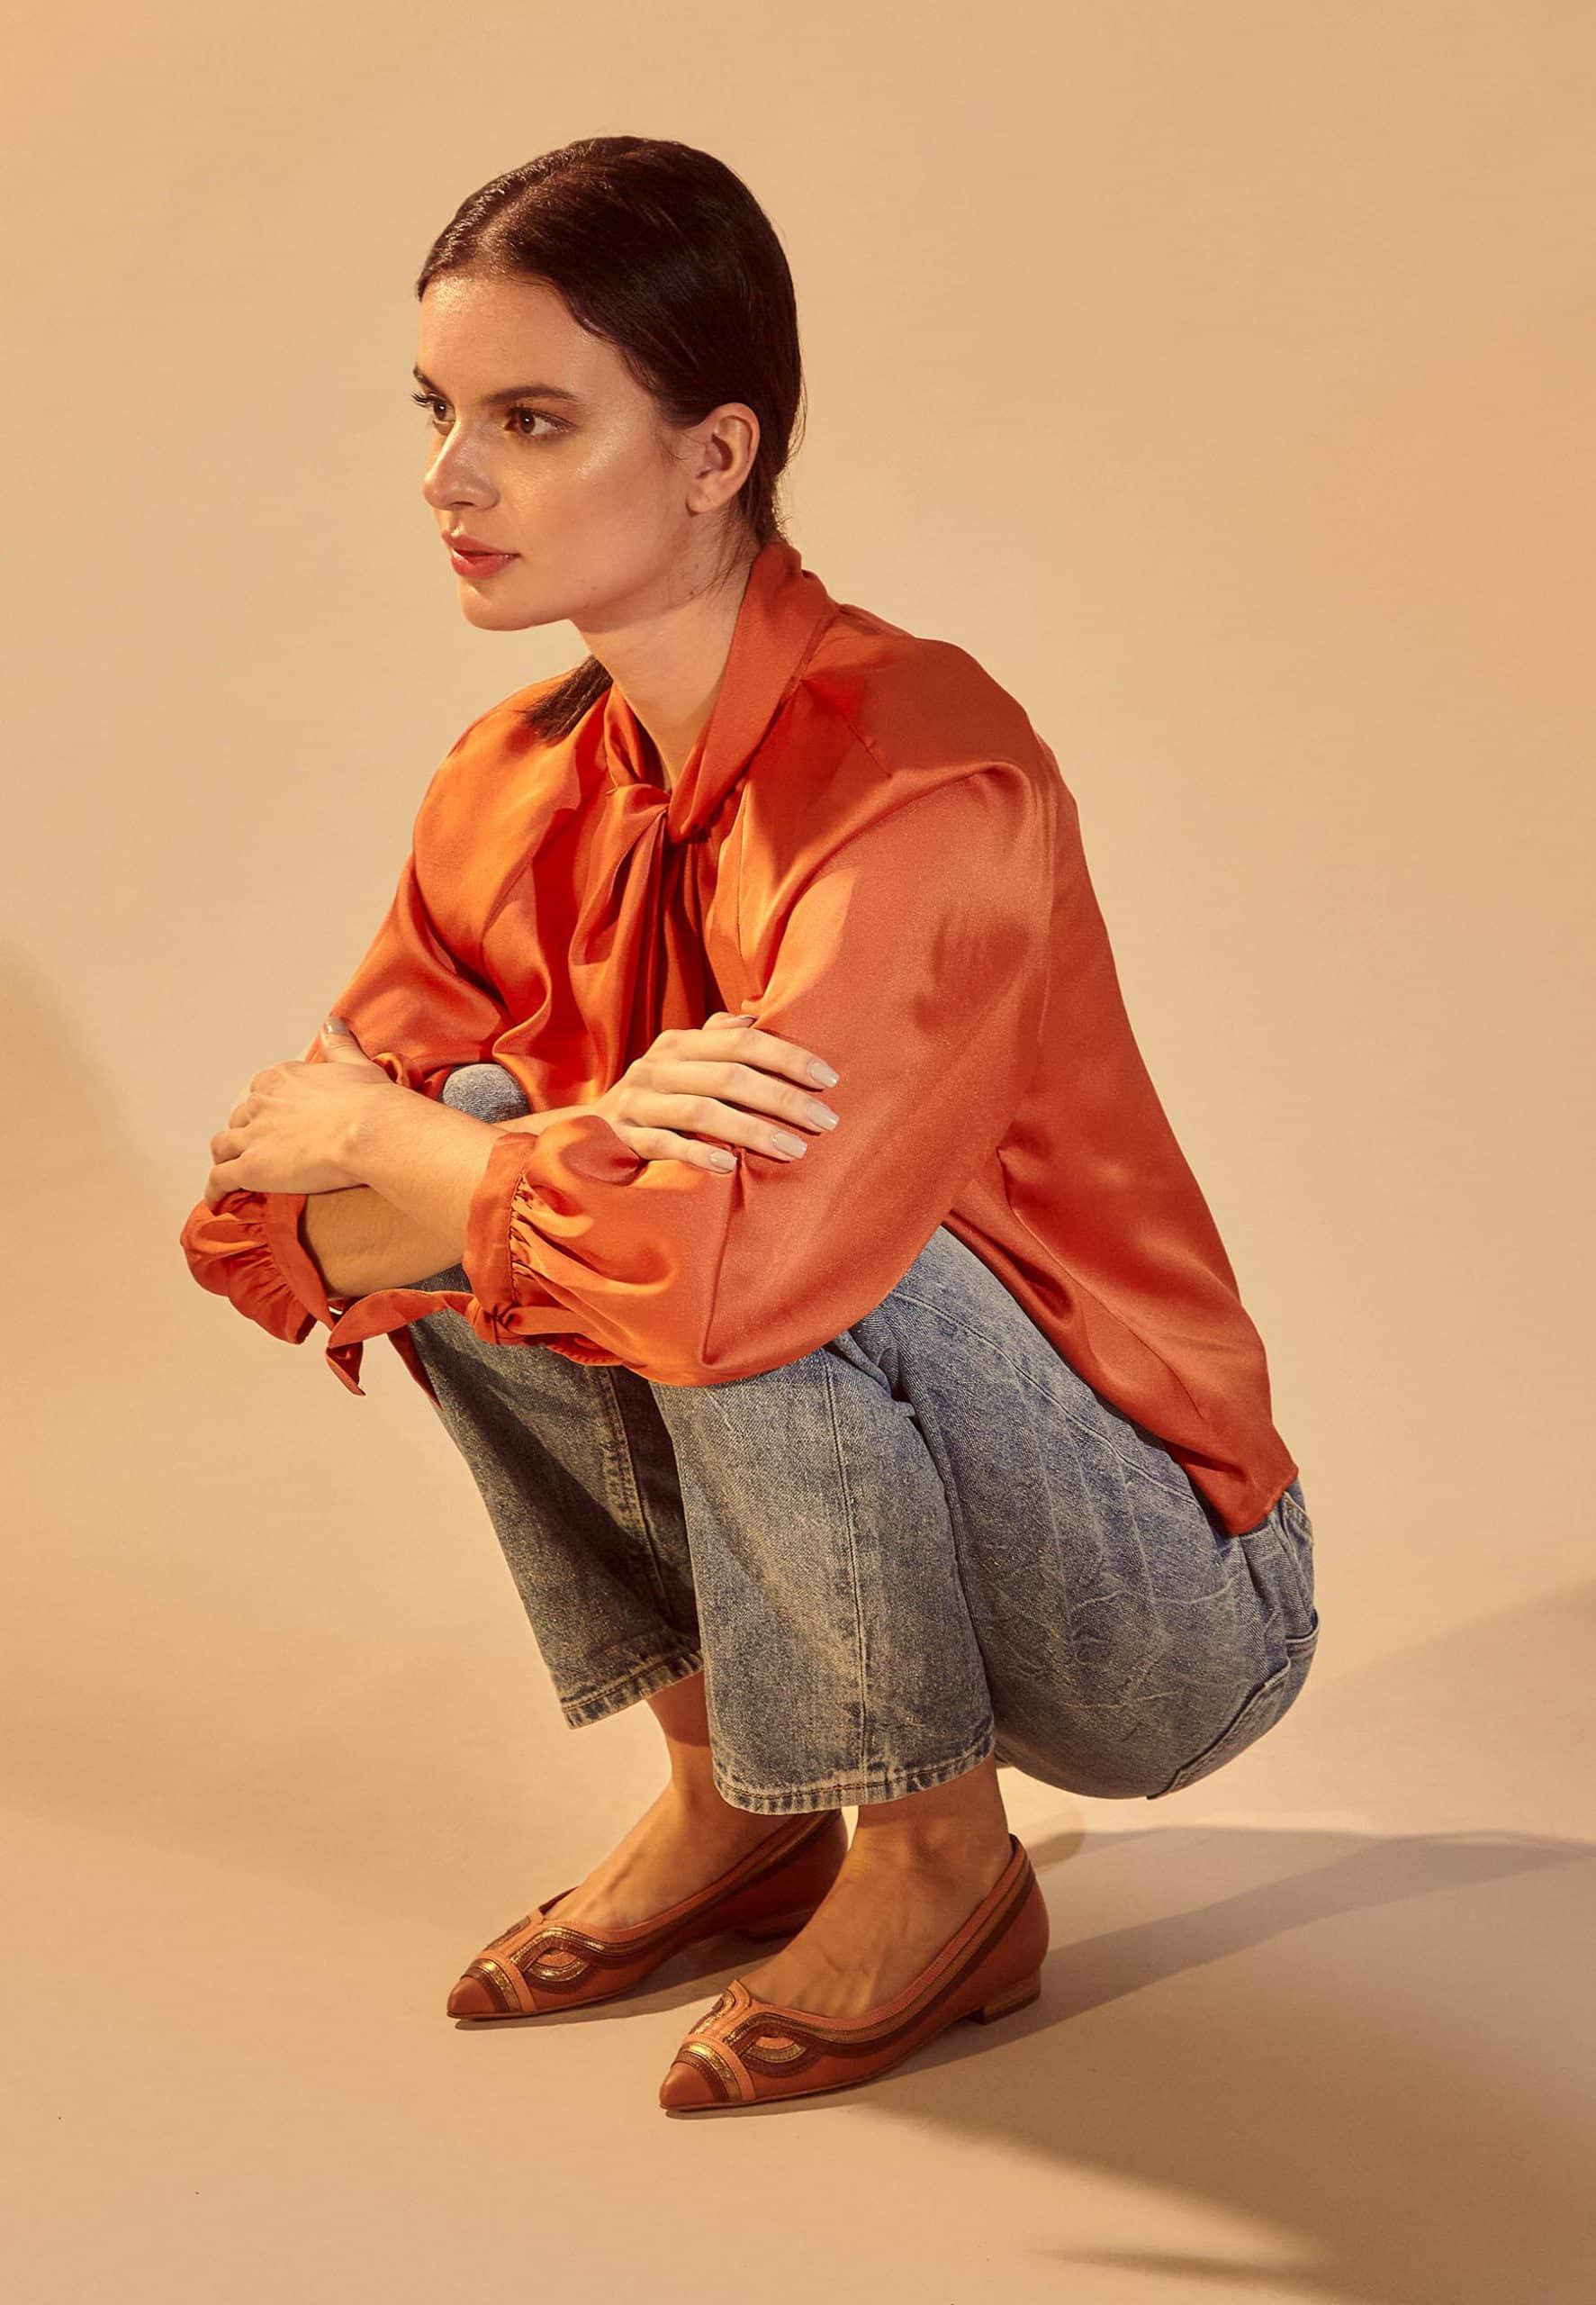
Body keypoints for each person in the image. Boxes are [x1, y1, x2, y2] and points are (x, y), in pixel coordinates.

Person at [177, 135, 1320, 2113]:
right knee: (517, 1132)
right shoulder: (507, 780)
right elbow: (255, 1228)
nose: (450, 478)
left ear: (715, 452)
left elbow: (731, 1286)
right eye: (440, 414)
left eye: (531, 420)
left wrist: (458, 1165)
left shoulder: (920, 773)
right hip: (815, 1487)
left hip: (1148, 1592)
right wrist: (526, 1142)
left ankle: (943, 1859)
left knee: (676, 1207)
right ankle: (742, 1799)